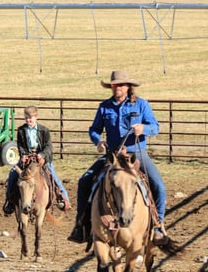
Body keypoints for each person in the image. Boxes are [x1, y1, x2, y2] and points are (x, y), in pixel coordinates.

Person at [68, 70, 170, 245]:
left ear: (128, 87)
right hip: (113, 155)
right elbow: (94, 129)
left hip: (136, 153)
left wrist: (143, 129)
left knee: (158, 186)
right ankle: (82, 225)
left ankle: (157, 226)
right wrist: (98, 141)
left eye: (121, 85)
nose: (117, 88)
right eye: (114, 85)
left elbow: (155, 126)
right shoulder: (104, 107)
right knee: (84, 181)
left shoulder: (141, 105)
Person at [3, 105, 71, 215]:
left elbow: (48, 147)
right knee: (12, 173)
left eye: (30, 118)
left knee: (52, 174)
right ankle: (10, 200)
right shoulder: (21, 130)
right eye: (26, 118)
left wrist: (42, 155)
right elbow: (20, 145)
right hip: (27, 159)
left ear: (36, 117)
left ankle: (62, 197)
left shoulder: (44, 131)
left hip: (41, 160)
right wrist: (24, 155)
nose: (28, 120)